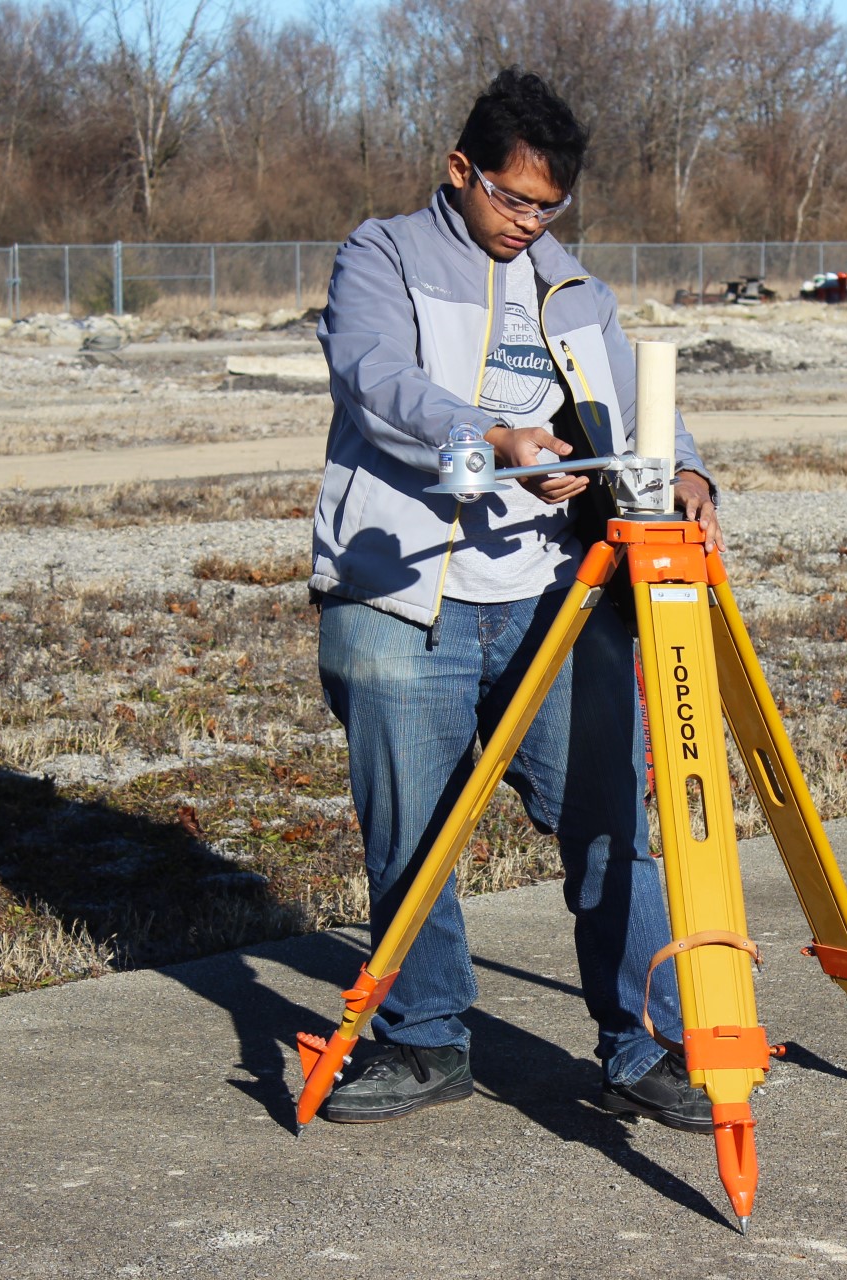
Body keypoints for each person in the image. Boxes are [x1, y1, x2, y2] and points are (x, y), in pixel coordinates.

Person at [308, 67, 721, 1129]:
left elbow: (638, 409)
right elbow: (374, 377)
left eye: (549, 207)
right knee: (416, 832)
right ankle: (425, 1037)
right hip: (406, 593)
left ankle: (645, 1043)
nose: (527, 224)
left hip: (554, 596)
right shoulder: (383, 255)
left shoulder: (574, 290)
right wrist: (490, 438)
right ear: (462, 170)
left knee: (611, 820)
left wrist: (692, 474)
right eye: (512, 198)